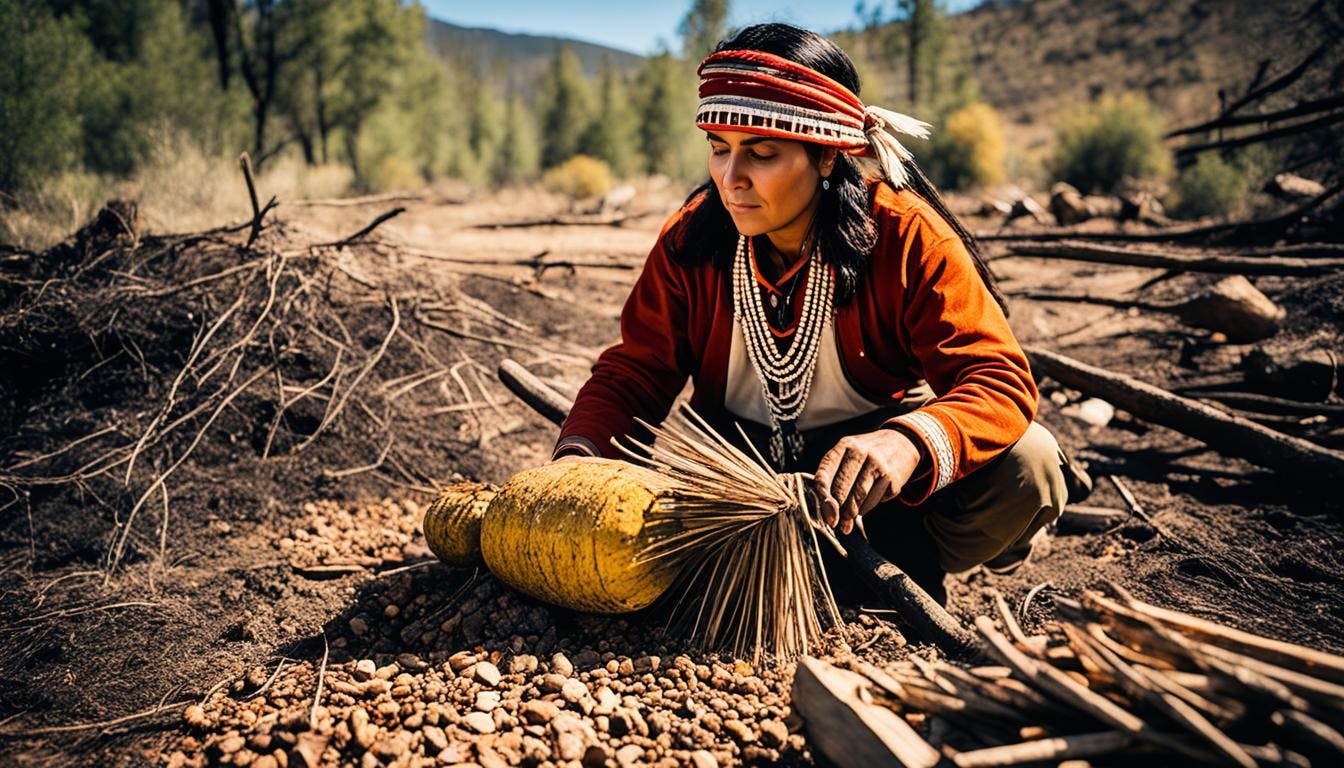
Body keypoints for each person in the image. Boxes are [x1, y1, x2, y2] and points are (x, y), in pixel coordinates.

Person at [550, 23, 1080, 604]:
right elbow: (635, 372)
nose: (731, 180)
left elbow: (997, 381)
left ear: (827, 156)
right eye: (719, 150)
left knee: (1031, 463)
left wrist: (904, 446)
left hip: (882, 498)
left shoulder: (904, 237)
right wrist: (578, 462)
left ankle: (921, 555)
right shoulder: (692, 241)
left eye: (763, 153)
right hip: (737, 493)